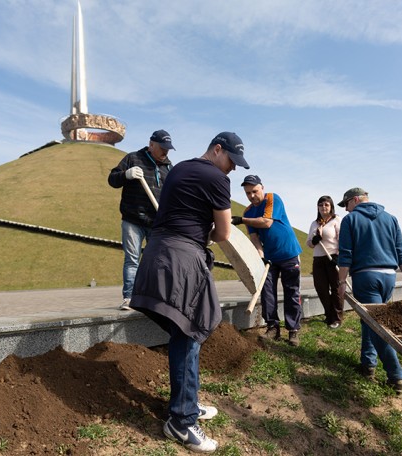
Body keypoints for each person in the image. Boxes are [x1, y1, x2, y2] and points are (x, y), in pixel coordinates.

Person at [130, 132, 249, 453]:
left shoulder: (179, 168)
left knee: (185, 332)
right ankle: (181, 422)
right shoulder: (216, 178)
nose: (233, 170)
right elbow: (223, 232)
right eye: (232, 162)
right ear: (218, 149)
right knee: (190, 332)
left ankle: (187, 403)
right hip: (183, 260)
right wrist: (206, 231)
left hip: (156, 254)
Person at [336, 187, 402, 393]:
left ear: (354, 200)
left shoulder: (351, 220)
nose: (346, 210)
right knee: (370, 320)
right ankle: (368, 362)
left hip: (366, 276)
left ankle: (396, 374)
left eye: (346, 205)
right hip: (389, 276)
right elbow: (401, 251)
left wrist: (341, 282)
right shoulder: (391, 218)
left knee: (377, 326)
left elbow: (345, 254)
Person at [233, 175, 303, 347]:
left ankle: (293, 330)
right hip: (269, 258)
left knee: (291, 291)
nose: (251, 196)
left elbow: (266, 222)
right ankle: (272, 327)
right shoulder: (248, 212)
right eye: (248, 193)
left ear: (262, 188)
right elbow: (255, 237)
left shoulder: (272, 198)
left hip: (288, 253)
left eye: (254, 191)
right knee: (267, 293)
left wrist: (241, 221)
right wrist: (260, 255)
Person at [108, 130, 174, 310]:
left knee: (157, 261)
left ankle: (154, 298)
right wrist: (125, 175)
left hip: (157, 222)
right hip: (133, 219)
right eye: (162, 147)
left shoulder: (169, 168)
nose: (165, 152)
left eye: (168, 148)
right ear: (151, 144)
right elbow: (112, 180)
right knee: (132, 259)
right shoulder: (132, 159)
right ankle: (129, 297)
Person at [305, 195, 342, 328]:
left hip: (333, 257)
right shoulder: (315, 224)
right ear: (317, 207)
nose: (323, 207)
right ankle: (329, 315)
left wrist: (338, 256)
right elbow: (309, 243)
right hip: (318, 259)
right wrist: (314, 240)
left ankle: (337, 318)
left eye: (326, 205)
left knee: (336, 289)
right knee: (321, 289)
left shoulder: (336, 220)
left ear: (331, 206)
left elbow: (342, 240)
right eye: (321, 205)